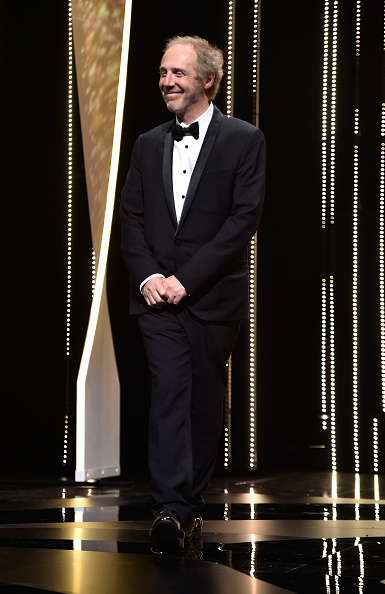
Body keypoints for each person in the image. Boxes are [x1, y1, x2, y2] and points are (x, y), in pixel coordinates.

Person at [120, 35, 266, 552]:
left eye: (177, 73)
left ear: (208, 80)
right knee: (168, 396)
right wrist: (149, 278)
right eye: (163, 72)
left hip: (211, 299)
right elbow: (131, 220)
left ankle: (190, 504)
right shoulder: (147, 143)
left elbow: (241, 220)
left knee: (205, 403)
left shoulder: (244, 139)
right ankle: (168, 510)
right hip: (156, 298)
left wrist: (188, 278)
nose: (166, 82)